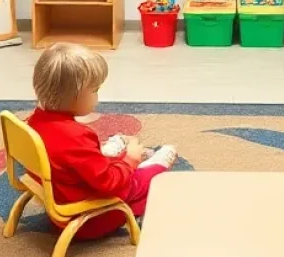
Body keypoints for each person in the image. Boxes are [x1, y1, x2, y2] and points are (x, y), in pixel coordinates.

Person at [27, 42, 176, 238]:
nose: (98, 96)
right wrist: (131, 160)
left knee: (109, 160)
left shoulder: (35, 121)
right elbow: (109, 183)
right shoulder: (75, 137)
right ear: (74, 97)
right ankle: (156, 163)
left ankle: (112, 152)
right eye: (95, 90)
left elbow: (73, 160)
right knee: (144, 179)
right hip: (89, 218)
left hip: (61, 193)